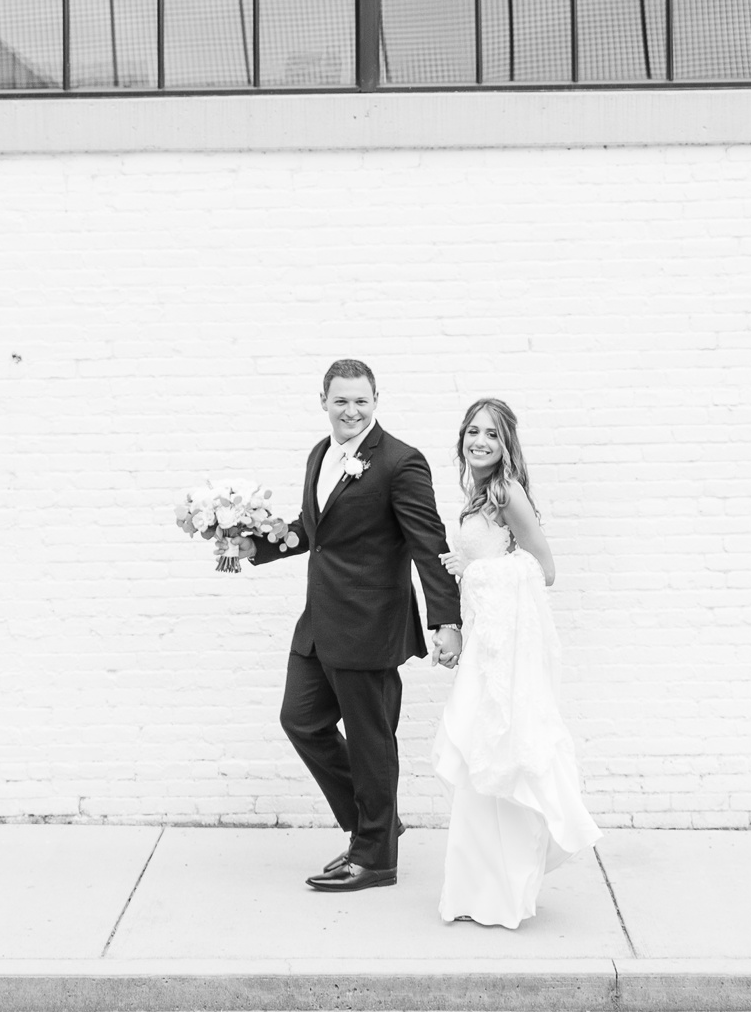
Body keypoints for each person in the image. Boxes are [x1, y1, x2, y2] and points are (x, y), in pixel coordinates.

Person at [232, 360, 462, 892]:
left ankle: (376, 858)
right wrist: (256, 545)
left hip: (369, 626)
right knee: (301, 721)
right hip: (319, 622)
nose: (351, 411)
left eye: (361, 400)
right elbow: (317, 529)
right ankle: (372, 830)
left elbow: (429, 544)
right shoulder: (320, 454)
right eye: (341, 401)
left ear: (376, 399)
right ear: (324, 402)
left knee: (370, 742)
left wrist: (445, 620)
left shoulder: (402, 462)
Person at [432, 398, 599, 928]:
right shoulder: (475, 496)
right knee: (481, 766)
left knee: (502, 756)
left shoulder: (507, 493)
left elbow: (543, 569)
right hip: (487, 648)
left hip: (505, 661)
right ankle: (476, 892)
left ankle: (503, 894)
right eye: (473, 432)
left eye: (492, 435)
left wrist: (474, 569)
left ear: (507, 446)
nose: (480, 441)